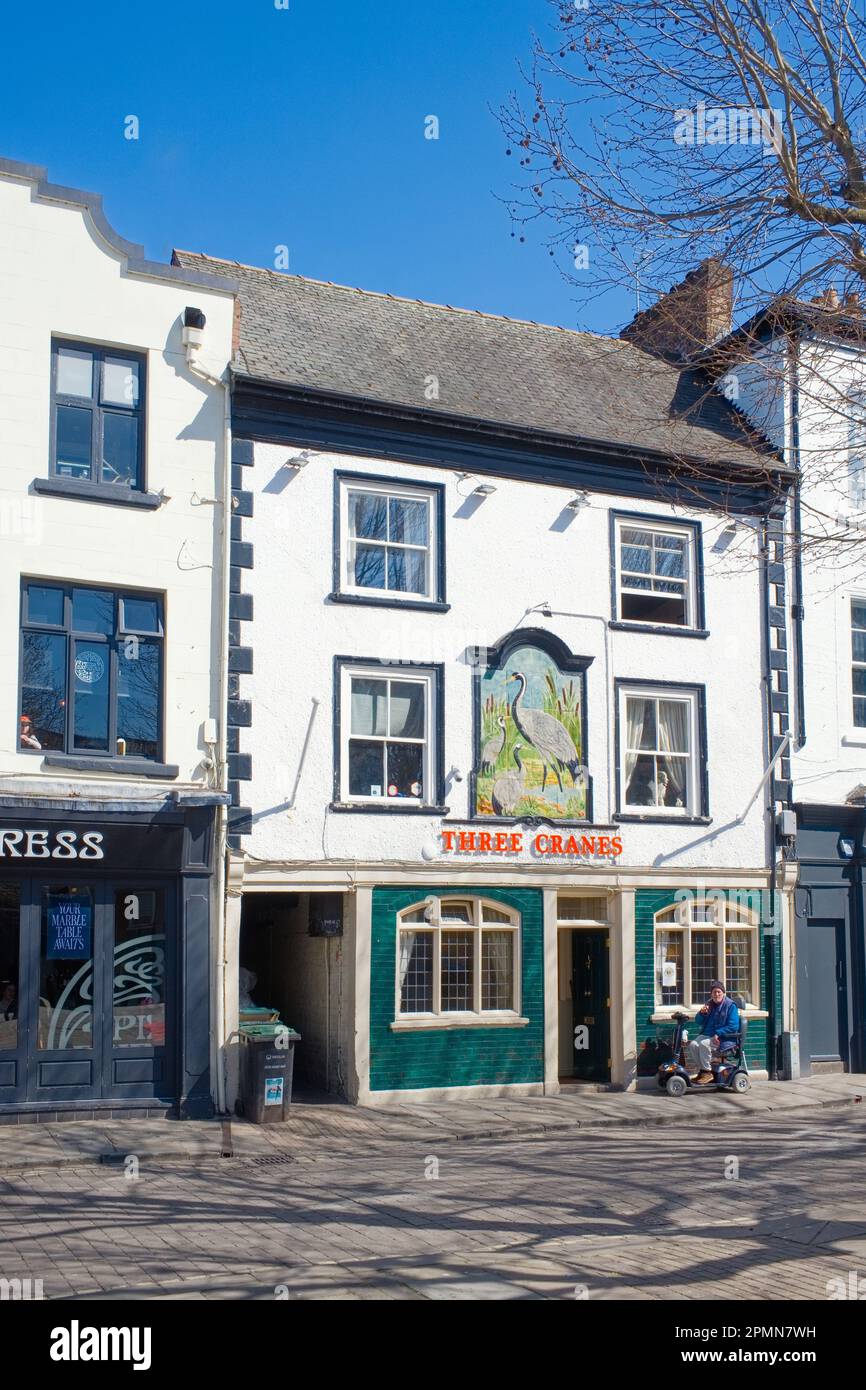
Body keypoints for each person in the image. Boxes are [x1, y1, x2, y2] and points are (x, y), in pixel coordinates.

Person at [684, 980, 740, 1085]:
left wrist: (718, 1033)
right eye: (714, 992)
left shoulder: (730, 1005)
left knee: (704, 1044)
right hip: (708, 1035)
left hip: (723, 1039)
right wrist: (702, 1013)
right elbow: (698, 1021)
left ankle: (707, 1072)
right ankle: (703, 1071)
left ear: (723, 993)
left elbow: (733, 1026)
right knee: (693, 1044)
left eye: (719, 991)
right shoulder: (709, 1004)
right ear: (711, 994)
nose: (717, 994)